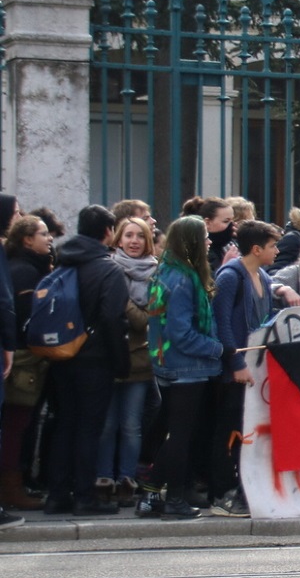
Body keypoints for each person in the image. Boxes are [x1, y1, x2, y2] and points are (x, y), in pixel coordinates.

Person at [44, 205, 130, 516]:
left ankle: (56, 494)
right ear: (109, 232)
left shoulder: (62, 262)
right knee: (89, 428)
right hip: (95, 359)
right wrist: (121, 362)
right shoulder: (108, 269)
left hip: (62, 354)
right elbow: (112, 318)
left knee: (65, 422)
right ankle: (84, 496)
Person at [138, 216, 223, 519]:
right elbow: (182, 332)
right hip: (187, 366)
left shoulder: (166, 272)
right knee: (183, 436)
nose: (210, 241)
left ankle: (152, 491)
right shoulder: (185, 278)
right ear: (192, 242)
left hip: (167, 363)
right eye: (205, 237)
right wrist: (217, 349)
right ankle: (173, 499)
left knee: (177, 432)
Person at [211, 220, 285, 517]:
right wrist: (235, 362)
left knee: (247, 431)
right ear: (256, 249)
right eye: (272, 246)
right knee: (227, 430)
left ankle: (244, 488)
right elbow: (223, 323)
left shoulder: (264, 277)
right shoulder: (230, 277)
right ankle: (220, 493)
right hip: (236, 369)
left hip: (256, 368)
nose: (277, 250)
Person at [97, 216, 158, 508]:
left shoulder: (156, 274)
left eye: (140, 236)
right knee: (107, 424)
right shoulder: (108, 269)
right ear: (118, 239)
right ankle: (104, 478)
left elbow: (147, 321)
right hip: (109, 358)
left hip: (140, 362)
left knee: (131, 425)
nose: (134, 241)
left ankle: (126, 480)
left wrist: (124, 303)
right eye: (129, 235)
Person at [0, 210, 38, 520]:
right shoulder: (21, 269)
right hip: (17, 352)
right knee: (15, 422)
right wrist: (10, 345)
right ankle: (10, 489)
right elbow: (8, 305)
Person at [182, 196, 237, 268]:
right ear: (207, 223)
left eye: (232, 220)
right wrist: (226, 265)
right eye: (226, 221)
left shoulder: (228, 245)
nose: (233, 225)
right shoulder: (200, 252)